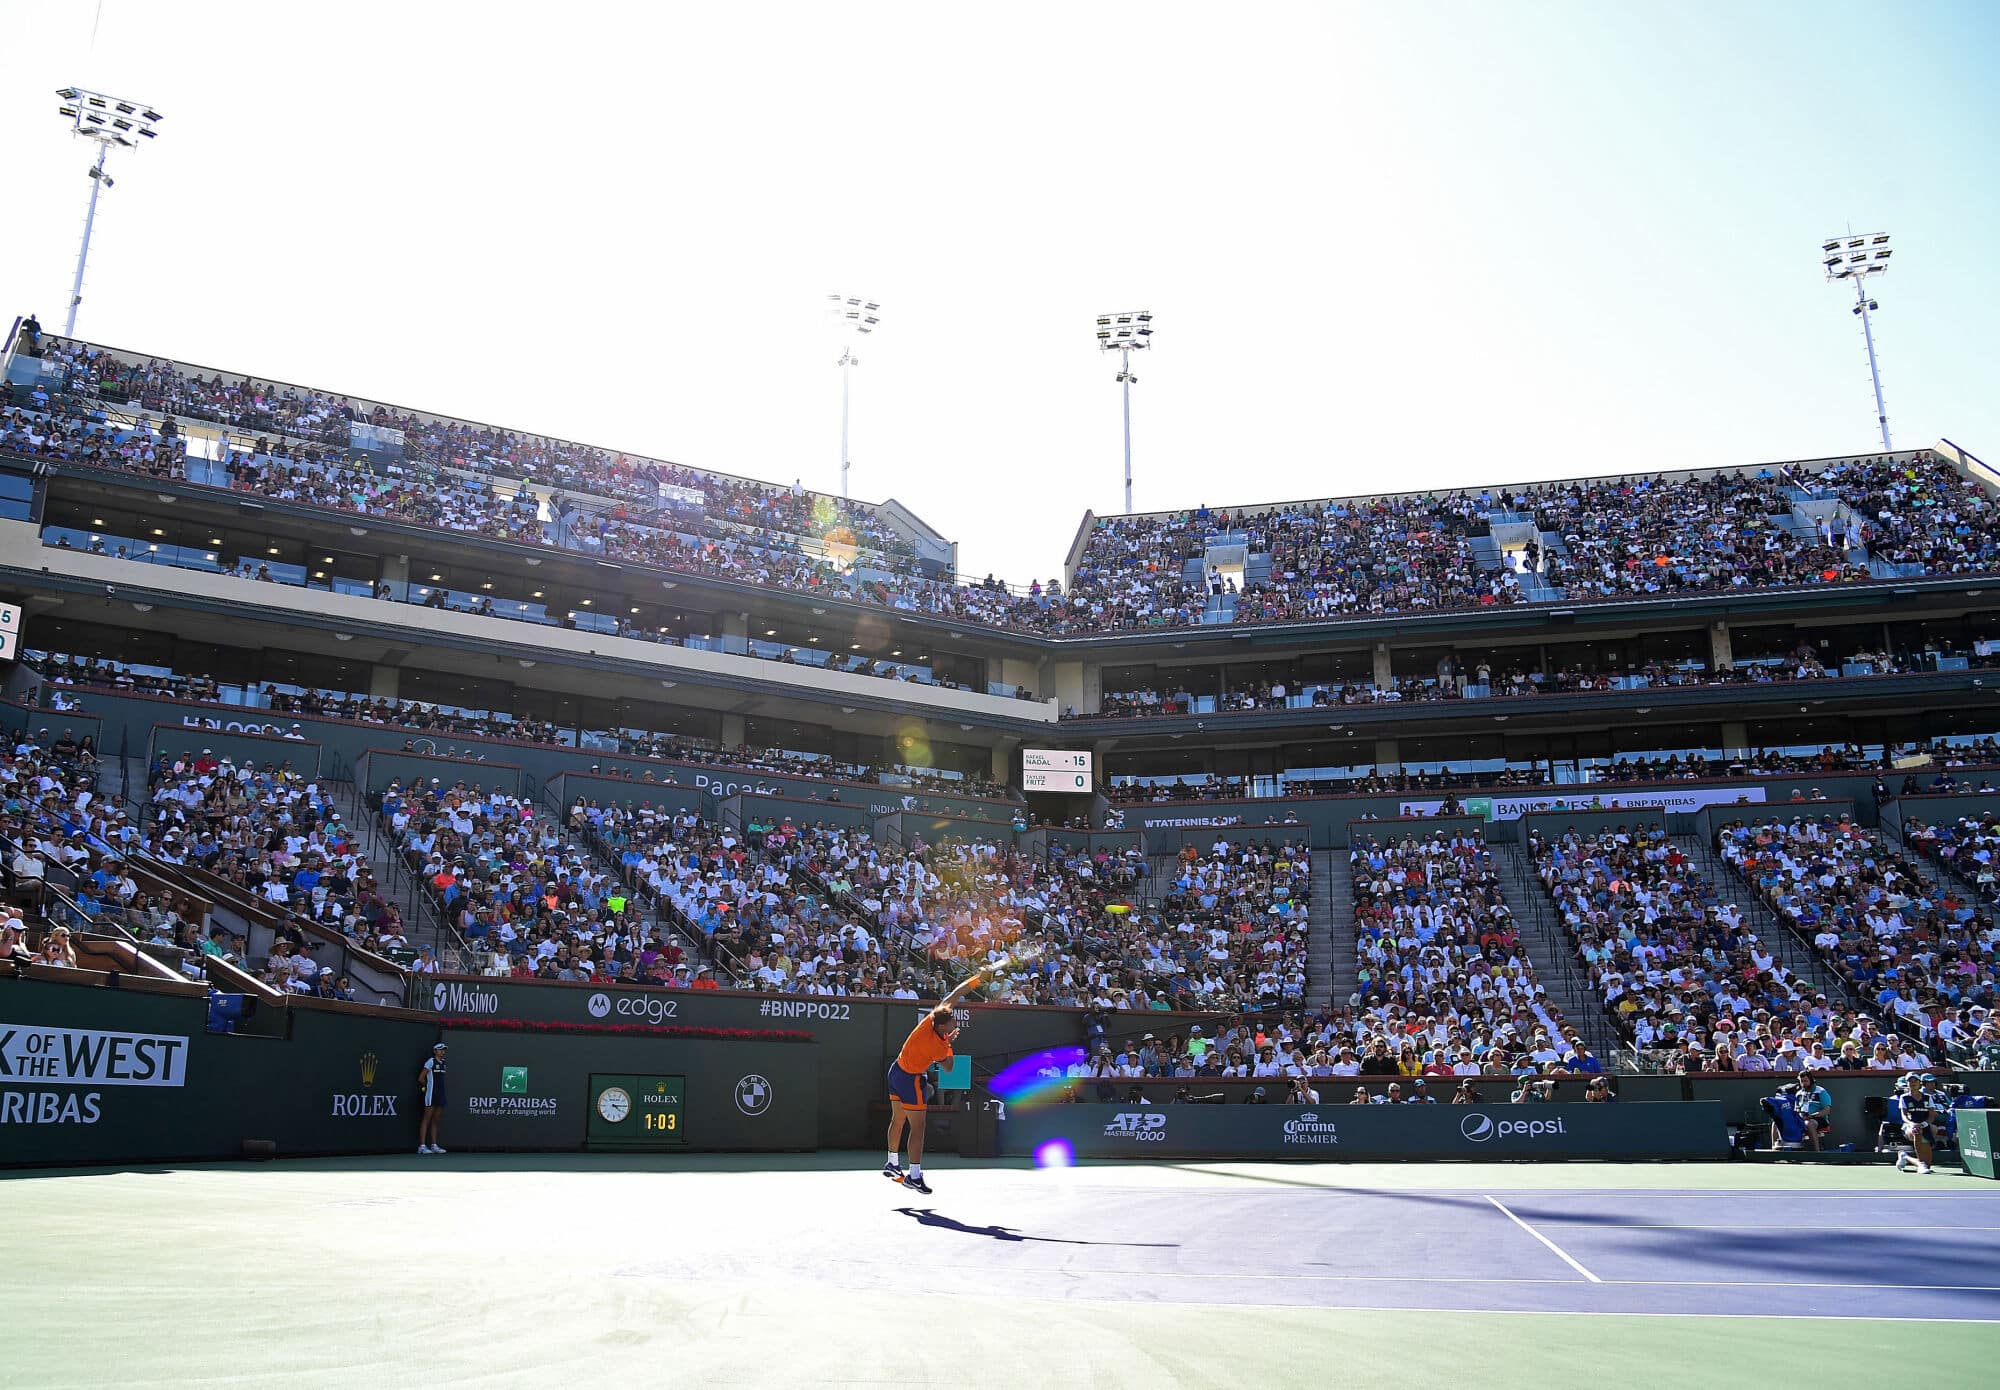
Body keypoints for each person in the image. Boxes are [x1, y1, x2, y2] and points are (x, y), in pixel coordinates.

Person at [884, 968, 986, 1194]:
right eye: (950, 1021)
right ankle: (914, 1176)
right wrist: (949, 1044)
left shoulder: (933, 1017)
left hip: (895, 1072)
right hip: (910, 1081)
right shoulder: (937, 1045)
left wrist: (978, 978)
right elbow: (948, 1068)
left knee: (898, 1119)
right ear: (941, 1027)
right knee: (918, 1127)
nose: (953, 1020)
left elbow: (957, 992)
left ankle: (892, 1162)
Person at [1892, 1072, 1935, 1175]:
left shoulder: (1928, 1097)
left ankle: (1905, 1156)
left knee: (1928, 1165)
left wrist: (1924, 1124)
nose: (1913, 1083)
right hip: (1909, 1126)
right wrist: (1912, 1124)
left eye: (1915, 1081)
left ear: (1920, 1083)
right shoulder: (1904, 1098)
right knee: (1916, 1130)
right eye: (1910, 1081)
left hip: (1924, 1125)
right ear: (1907, 1083)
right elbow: (1904, 1116)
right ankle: (1920, 1164)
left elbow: (1931, 1116)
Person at [417, 1043, 449, 1155]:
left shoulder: (444, 1063)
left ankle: (434, 1145)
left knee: (435, 1120)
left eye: (443, 1050)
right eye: (440, 1050)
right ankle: (422, 1146)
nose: (442, 1052)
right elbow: (421, 1078)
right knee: (427, 1119)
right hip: (431, 1094)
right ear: (435, 1051)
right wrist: (427, 1087)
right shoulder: (430, 1061)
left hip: (441, 1094)